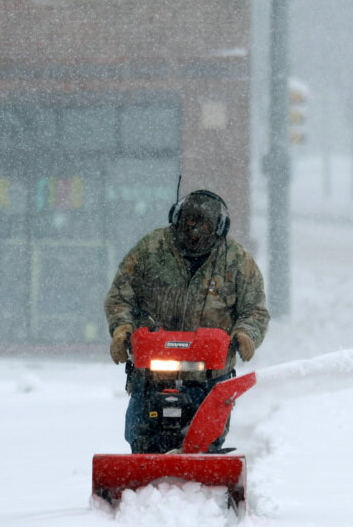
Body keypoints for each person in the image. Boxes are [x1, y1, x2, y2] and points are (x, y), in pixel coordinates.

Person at [104, 189, 270, 452]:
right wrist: (121, 329)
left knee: (206, 443)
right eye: (189, 221)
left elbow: (255, 310)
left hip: (210, 376)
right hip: (151, 373)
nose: (194, 230)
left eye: (203, 224)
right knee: (142, 437)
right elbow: (121, 295)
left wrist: (246, 334)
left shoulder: (237, 261)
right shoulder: (150, 249)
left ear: (218, 229)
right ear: (177, 219)